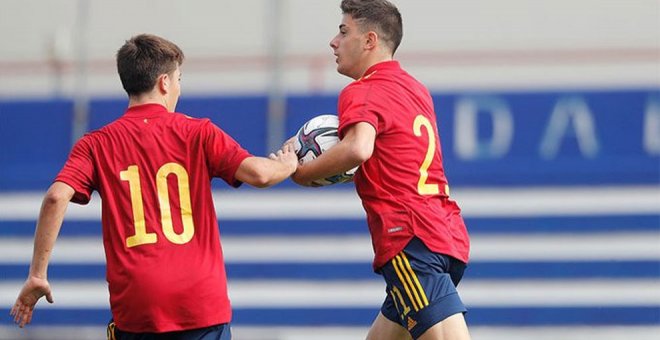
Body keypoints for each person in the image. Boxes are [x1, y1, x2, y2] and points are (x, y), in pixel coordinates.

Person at [10, 33, 298, 339]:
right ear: (164, 82)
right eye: (178, 79)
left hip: (138, 311)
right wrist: (289, 163)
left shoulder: (95, 144)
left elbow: (56, 197)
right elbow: (260, 175)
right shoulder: (197, 132)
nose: (178, 88)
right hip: (199, 306)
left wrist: (37, 274)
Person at [287, 1, 471, 339]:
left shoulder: (362, 90)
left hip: (410, 238)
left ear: (370, 40)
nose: (333, 41)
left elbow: (358, 147)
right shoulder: (415, 88)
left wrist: (301, 172)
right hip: (444, 232)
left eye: (343, 32)